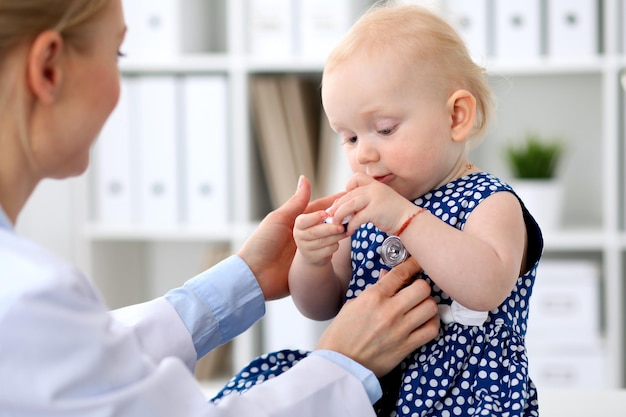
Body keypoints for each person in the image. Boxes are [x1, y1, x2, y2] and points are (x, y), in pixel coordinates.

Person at [0, 0, 442, 416]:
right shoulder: (28, 298)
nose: (364, 154)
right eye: (116, 54)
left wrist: (246, 275)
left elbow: (92, 366)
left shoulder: (28, 299)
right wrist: (343, 363)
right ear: (48, 69)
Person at [215, 3, 544, 417]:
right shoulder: (367, 205)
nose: (365, 153)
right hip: (367, 386)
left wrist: (404, 219)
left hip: (462, 395)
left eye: (385, 129)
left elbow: (487, 288)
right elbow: (321, 307)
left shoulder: (490, 201)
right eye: (349, 137)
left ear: (456, 116)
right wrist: (313, 260)